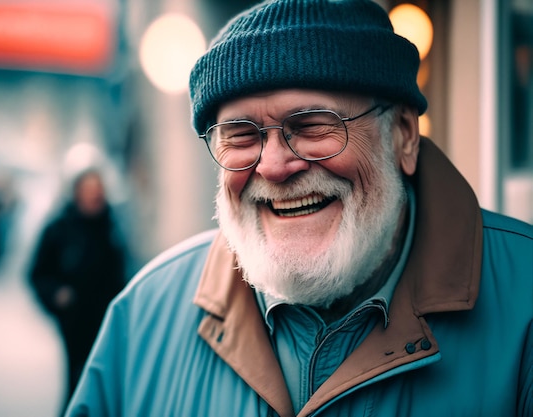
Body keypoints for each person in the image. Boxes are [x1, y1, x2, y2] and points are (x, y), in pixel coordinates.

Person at [65, 1, 533, 416]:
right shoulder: (144, 315)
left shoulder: (524, 301)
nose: (273, 166)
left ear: (404, 135)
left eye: (312, 125)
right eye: (242, 136)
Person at [28, 168, 129, 416]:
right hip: (74, 321)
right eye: (90, 190)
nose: (96, 196)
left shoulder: (112, 226)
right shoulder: (59, 227)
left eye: (99, 190)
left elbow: (125, 270)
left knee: (108, 384)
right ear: (77, 193)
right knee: (78, 381)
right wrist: (56, 296)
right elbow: (36, 273)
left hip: (108, 317)